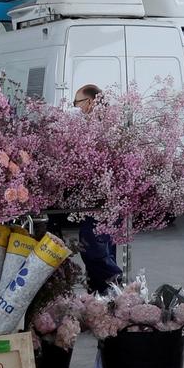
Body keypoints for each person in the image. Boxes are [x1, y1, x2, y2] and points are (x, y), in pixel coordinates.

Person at [70, 85, 120, 288]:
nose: (75, 108)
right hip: (102, 203)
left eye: (77, 103)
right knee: (101, 250)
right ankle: (105, 303)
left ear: (90, 103)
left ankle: (116, 293)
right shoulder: (104, 128)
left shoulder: (102, 131)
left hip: (102, 203)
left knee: (94, 251)